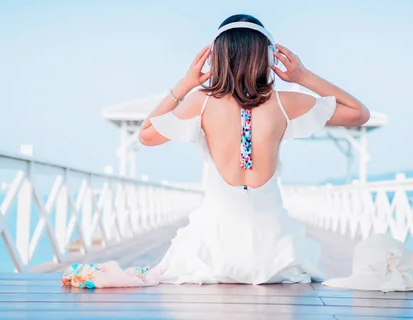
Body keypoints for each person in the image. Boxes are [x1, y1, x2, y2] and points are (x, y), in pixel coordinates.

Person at [136, 14, 370, 285]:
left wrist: (187, 83)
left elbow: (145, 136)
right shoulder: (286, 102)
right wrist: (303, 76)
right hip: (275, 255)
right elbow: (358, 114)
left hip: (212, 251)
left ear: (217, 58)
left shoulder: (200, 102)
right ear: (267, 58)